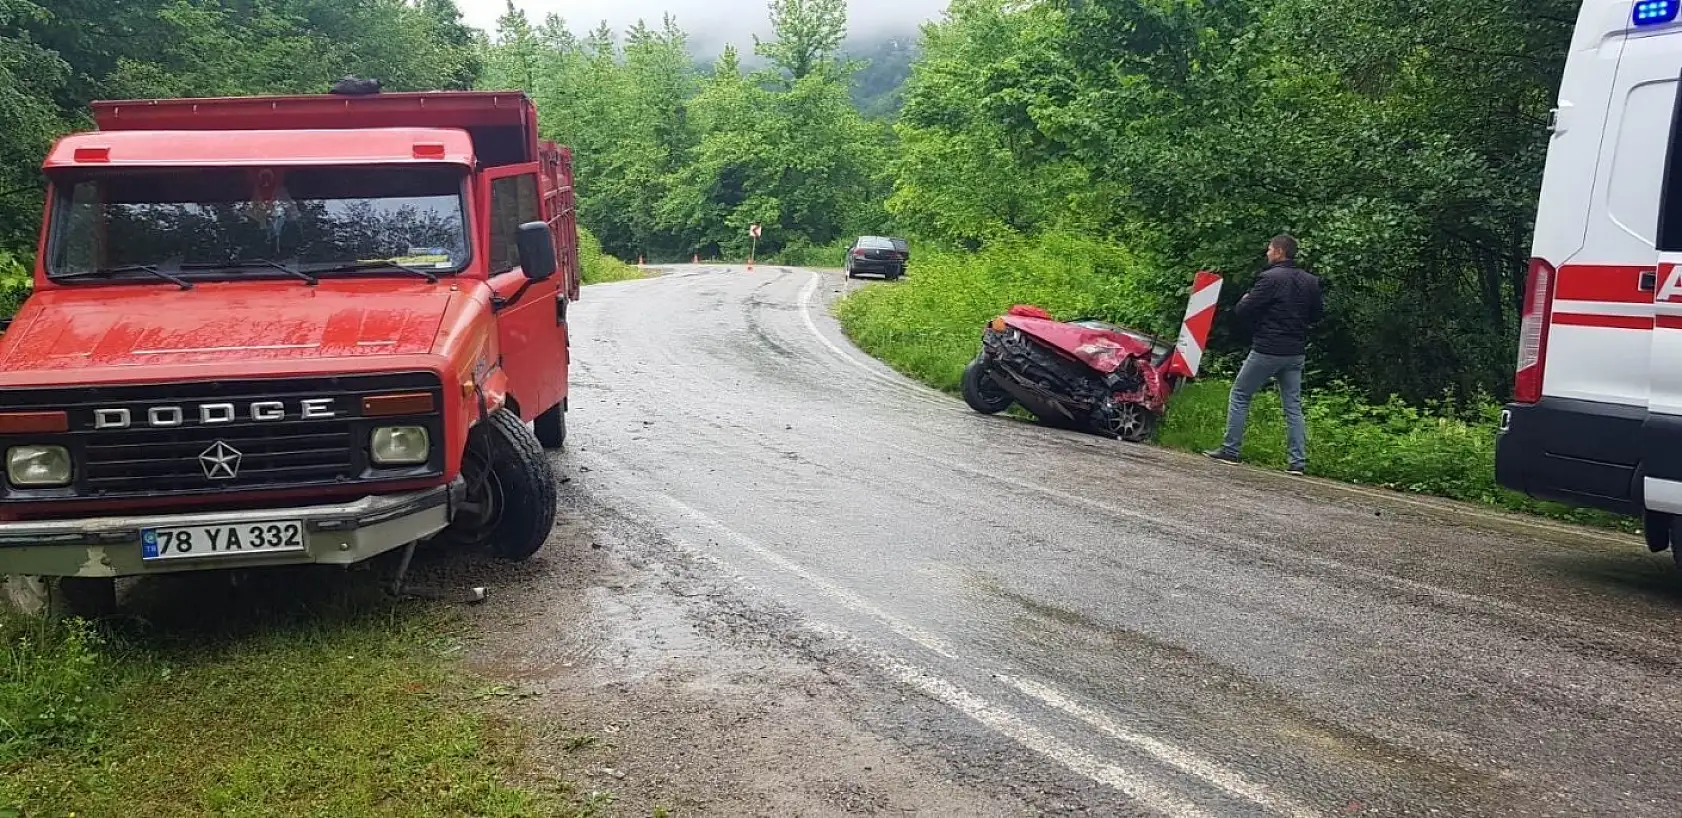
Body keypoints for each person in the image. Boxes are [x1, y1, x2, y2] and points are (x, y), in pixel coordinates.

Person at [1205, 234, 1324, 475]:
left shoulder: (1269, 278)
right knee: (1292, 406)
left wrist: (1247, 302)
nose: (1267, 253)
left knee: (1240, 394)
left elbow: (1244, 309)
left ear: (1280, 252)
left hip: (1267, 348)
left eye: (1269, 249)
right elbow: (1317, 315)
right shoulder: (1311, 281)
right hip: (1295, 352)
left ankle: (1231, 449)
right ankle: (1297, 462)